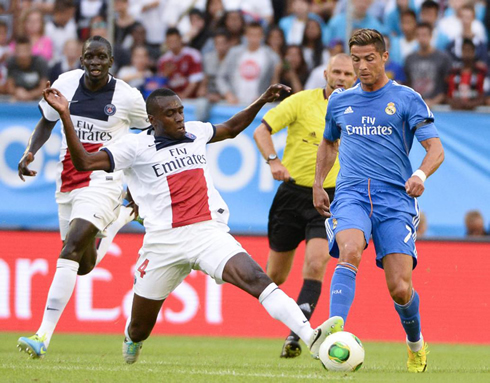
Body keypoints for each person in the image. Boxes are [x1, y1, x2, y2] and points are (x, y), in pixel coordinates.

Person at [41, 82, 344, 365]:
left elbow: (232, 127)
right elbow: (84, 162)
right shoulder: (133, 147)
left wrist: (262, 100)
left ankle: (311, 337)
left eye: (181, 110)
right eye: (170, 113)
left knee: (257, 279)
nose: (179, 117)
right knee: (139, 327)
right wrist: (66, 115)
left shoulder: (196, 132)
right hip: (162, 244)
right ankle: (132, 338)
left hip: (207, 233)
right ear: (152, 119)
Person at [313, 29, 444, 372]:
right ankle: (335, 328)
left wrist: (420, 175)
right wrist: (317, 184)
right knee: (350, 249)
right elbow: (328, 142)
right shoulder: (340, 101)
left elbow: (435, 148)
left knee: (400, 288)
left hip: (394, 199)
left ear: (385, 57)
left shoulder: (406, 98)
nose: (362, 66)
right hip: (352, 193)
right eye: (356, 60)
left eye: (369, 59)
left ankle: (415, 344)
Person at [16, 36, 150, 359]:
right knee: (82, 264)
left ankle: (42, 335)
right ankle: (122, 219)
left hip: (104, 181)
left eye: (101, 57)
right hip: (68, 183)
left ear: (111, 62)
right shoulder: (65, 83)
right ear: (81, 59)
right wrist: (31, 150)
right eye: (89, 56)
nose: (94, 63)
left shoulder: (127, 97)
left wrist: (137, 177)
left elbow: (151, 132)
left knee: (71, 246)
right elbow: (47, 121)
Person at [253, 53, 356, 358]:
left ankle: (297, 335)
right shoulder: (300, 101)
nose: (341, 78)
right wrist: (273, 161)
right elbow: (262, 130)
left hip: (331, 197)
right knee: (275, 275)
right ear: (325, 73)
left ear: (355, 78)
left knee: (315, 264)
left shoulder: (360, 108)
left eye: (347, 74)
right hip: (292, 194)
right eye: (336, 72)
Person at [404, 23, 452, 108]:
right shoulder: (409, 59)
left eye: (424, 35)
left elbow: (447, 86)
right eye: (418, 35)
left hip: (438, 108)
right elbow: (407, 84)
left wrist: (434, 102)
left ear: (431, 36)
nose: (422, 39)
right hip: (415, 107)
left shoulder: (443, 58)